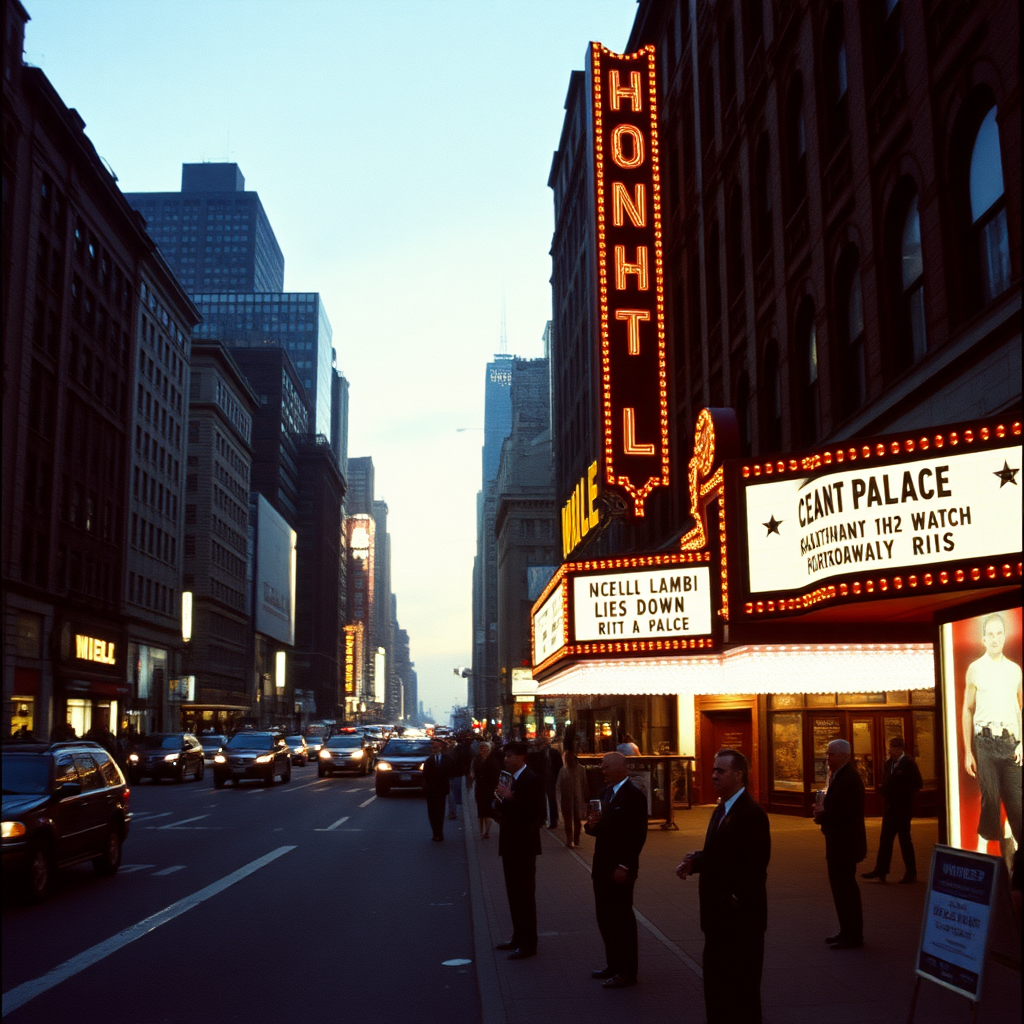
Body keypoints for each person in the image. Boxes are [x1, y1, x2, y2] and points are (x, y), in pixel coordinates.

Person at [676, 749, 770, 1024]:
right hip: (717, 919)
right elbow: (719, 852)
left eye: (721, 771)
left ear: (739, 775)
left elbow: (755, 868)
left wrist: (732, 900)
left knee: (741, 992)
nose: (714, 775)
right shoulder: (722, 808)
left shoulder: (751, 814)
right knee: (717, 987)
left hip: (740, 923)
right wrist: (695, 862)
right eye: (714, 770)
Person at [583, 751, 648, 988]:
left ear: (623, 768)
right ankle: (613, 964)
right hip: (601, 866)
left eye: (608, 767)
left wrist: (625, 865)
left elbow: (638, 835)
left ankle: (627, 971)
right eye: (602, 767)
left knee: (622, 919)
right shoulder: (604, 793)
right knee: (605, 918)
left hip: (620, 869)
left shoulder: (634, 796)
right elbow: (597, 830)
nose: (603, 770)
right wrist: (590, 826)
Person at [962, 613, 1022, 864]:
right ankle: (982, 851)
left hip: (1010, 742)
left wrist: (1022, 742)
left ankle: (1015, 859)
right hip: (984, 742)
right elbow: (968, 709)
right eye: (991, 634)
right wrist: (968, 751)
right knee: (990, 797)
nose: (995, 638)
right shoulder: (975, 668)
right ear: (983, 638)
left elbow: (1020, 708)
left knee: (1017, 803)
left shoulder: (1015, 670)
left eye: (1000, 633)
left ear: (1004, 637)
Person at [813, 738, 867, 949]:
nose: (828, 758)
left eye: (831, 754)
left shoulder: (849, 778)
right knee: (840, 889)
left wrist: (824, 815)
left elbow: (847, 813)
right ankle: (846, 930)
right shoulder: (838, 776)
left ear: (845, 755)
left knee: (846, 889)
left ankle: (853, 935)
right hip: (838, 842)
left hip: (845, 844)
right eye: (827, 754)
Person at [493, 740, 543, 959]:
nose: (506, 759)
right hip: (509, 843)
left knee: (524, 895)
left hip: (524, 845)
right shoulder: (509, 778)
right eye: (505, 756)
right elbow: (502, 809)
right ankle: (517, 936)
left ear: (522, 757)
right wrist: (499, 799)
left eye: (510, 756)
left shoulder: (531, 779)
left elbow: (534, 814)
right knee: (513, 894)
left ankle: (529, 944)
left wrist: (510, 797)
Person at [862, 736, 922, 883]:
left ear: (901, 749)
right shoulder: (889, 763)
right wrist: (883, 789)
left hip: (903, 808)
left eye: (894, 748)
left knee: (904, 840)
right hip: (890, 807)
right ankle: (881, 870)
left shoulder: (908, 764)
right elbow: (885, 780)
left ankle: (911, 872)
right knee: (885, 839)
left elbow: (917, 784)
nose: (890, 751)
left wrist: (901, 792)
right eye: (890, 748)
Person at [556, 749, 588, 847]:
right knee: (568, 820)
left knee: (577, 820)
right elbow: (558, 785)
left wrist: (586, 796)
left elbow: (584, 783)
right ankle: (569, 840)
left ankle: (576, 838)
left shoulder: (581, 769)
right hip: (566, 798)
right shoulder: (563, 770)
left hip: (578, 798)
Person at [422, 737, 452, 842]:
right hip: (431, 790)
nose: (435, 749)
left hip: (442, 790)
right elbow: (425, 775)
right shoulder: (428, 761)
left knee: (440, 811)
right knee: (432, 812)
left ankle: (440, 832)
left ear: (440, 748)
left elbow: (450, 772)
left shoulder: (447, 759)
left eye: (437, 747)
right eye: (433, 748)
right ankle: (435, 832)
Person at [472, 741, 499, 839]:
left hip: (488, 790)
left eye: (485, 749)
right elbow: (475, 772)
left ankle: (486, 831)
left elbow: (495, 777)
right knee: (480, 812)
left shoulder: (492, 761)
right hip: (479, 788)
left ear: (489, 750)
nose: (483, 751)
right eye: (481, 749)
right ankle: (481, 831)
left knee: (487, 811)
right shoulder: (479, 760)